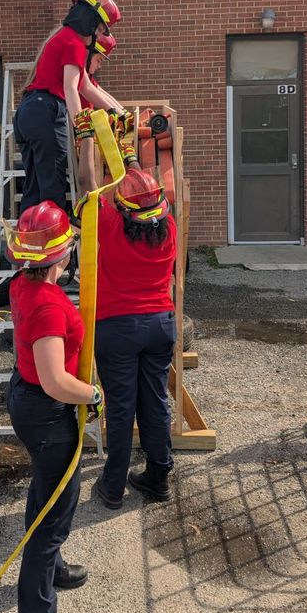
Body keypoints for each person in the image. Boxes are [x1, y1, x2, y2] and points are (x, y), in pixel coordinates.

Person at [5, 200, 103, 613]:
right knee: (52, 519)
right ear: (61, 254)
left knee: (44, 493)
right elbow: (55, 381)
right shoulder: (47, 305)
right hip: (47, 410)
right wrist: (93, 395)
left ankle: (55, 569)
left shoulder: (20, 285)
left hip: (28, 401)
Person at [75, 129, 178, 510]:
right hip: (160, 325)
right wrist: (130, 156)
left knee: (121, 408)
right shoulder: (169, 228)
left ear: (122, 206)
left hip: (117, 327)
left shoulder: (109, 222)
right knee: (155, 402)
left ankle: (113, 487)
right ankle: (158, 478)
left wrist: (89, 136)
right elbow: (143, 195)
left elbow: (87, 183)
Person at [13, 0, 124, 215]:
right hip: (46, 112)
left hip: (30, 112)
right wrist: (82, 129)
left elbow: (86, 87)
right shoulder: (74, 43)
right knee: (52, 189)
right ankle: (51, 235)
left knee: (34, 189)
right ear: (90, 22)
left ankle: (28, 234)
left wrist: (118, 112)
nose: (98, 35)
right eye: (99, 29)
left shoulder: (64, 38)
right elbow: (71, 88)